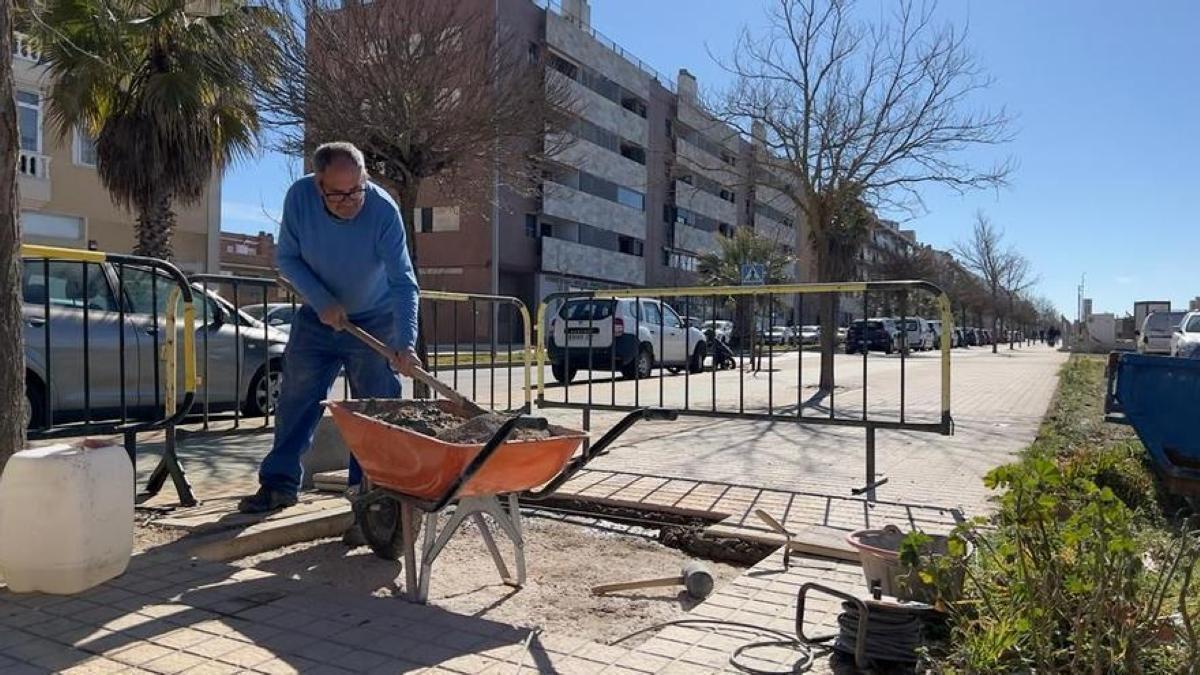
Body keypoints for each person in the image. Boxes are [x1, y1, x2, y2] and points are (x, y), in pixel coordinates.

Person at [238, 142, 421, 519]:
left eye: (356, 190)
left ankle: (369, 498)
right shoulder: (299, 198)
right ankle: (279, 484)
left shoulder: (383, 210)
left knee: (375, 412)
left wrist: (405, 342)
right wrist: (322, 301)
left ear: (365, 179)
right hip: (316, 319)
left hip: (376, 317)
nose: (349, 201)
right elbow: (287, 258)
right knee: (295, 399)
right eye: (337, 194)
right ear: (318, 183)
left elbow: (403, 281)